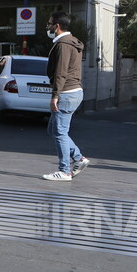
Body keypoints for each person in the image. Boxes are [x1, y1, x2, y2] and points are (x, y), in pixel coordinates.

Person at [42, 11, 90, 181]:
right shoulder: (72, 42)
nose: (47, 27)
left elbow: (61, 72)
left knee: (60, 132)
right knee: (53, 130)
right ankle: (78, 158)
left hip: (66, 93)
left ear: (57, 26)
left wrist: (55, 96)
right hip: (74, 91)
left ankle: (65, 171)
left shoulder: (63, 44)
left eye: (49, 23)